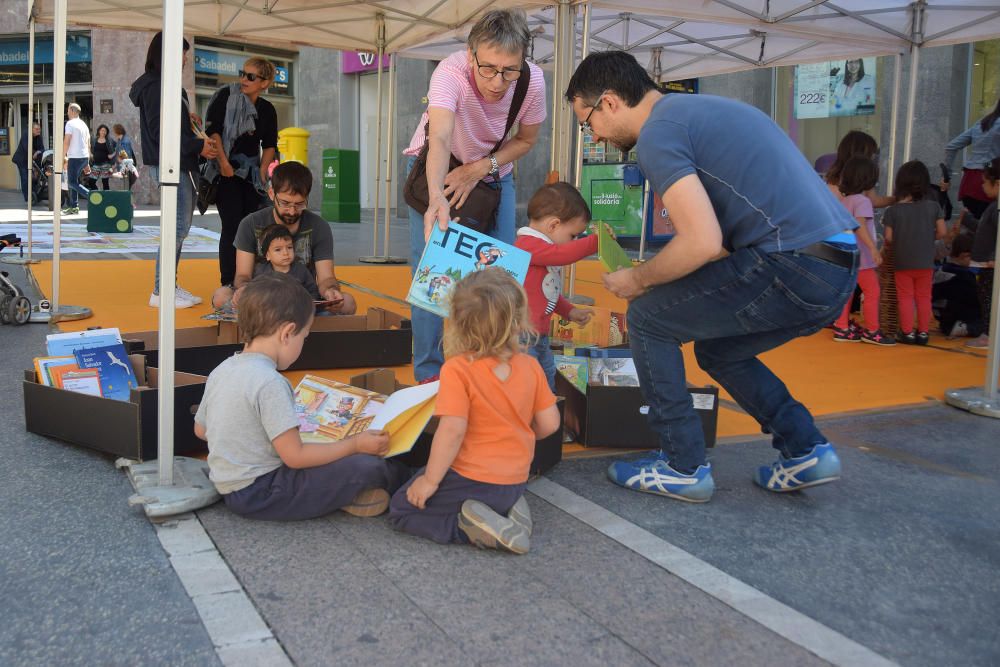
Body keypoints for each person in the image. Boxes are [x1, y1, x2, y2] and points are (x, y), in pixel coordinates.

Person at [566, 51, 859, 503]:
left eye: (587, 122)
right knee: (721, 351)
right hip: (836, 265)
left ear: (608, 102)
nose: (595, 136)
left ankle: (682, 464)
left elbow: (701, 242)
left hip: (790, 262)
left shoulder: (657, 135)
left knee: (647, 318)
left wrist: (639, 280)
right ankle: (805, 449)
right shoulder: (707, 112)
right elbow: (721, 247)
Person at [403, 8, 547, 383]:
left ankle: (491, 369)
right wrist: (438, 198)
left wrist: (483, 167)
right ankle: (430, 377)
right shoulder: (449, 73)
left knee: (501, 276)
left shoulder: (531, 82)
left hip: (494, 175)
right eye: (488, 68)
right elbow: (440, 138)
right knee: (433, 278)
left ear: (523, 61)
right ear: (471, 55)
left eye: (509, 70)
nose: (498, 82)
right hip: (441, 170)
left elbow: (527, 140)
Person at [194, 273, 409, 520]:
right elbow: (295, 457)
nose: (303, 344)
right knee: (368, 466)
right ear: (287, 333)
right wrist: (355, 444)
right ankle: (407, 487)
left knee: (333, 459)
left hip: (230, 486)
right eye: (304, 337)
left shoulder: (222, 369)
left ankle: (349, 497)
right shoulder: (270, 382)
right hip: (264, 491)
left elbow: (201, 430)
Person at [388, 268, 560, 553]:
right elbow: (550, 424)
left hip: (473, 479)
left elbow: (452, 430)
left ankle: (470, 530)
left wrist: (430, 481)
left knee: (402, 507)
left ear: (458, 324)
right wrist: (521, 434)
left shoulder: (458, 369)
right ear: (518, 320)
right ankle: (505, 510)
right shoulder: (531, 366)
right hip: (515, 481)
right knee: (422, 477)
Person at [130, 32, 218, 309]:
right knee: (176, 230)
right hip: (172, 167)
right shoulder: (157, 87)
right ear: (165, 53)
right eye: (181, 53)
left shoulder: (163, 86)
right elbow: (160, 133)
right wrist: (197, 145)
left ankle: (166, 286)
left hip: (175, 166)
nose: (184, 60)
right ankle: (162, 289)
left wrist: (187, 122)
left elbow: (165, 128)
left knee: (177, 230)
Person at [218, 161, 355, 315]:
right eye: (285, 203)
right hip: (262, 301)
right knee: (221, 296)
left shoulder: (319, 226)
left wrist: (331, 291)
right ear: (271, 194)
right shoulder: (250, 223)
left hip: (302, 301)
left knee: (347, 302)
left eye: (300, 204)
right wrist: (243, 289)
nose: (291, 211)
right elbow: (243, 275)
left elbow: (326, 278)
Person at [514, 182, 598, 390]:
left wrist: (569, 311)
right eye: (573, 236)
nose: (574, 242)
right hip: (521, 335)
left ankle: (545, 416)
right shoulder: (528, 245)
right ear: (553, 225)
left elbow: (549, 292)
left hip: (538, 335)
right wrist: (595, 243)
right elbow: (563, 255)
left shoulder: (541, 249)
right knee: (529, 382)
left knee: (546, 376)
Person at [204, 57, 278, 288]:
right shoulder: (226, 97)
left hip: (251, 175)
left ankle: (247, 277)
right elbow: (214, 132)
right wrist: (224, 163)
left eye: (251, 76)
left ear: (264, 83)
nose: (243, 79)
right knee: (232, 225)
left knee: (253, 226)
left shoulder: (267, 109)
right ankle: (228, 281)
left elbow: (269, 144)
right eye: (242, 73)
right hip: (225, 171)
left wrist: (264, 170)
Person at [883, 161, 947, 346]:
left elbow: (888, 238)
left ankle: (907, 332)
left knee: (905, 297)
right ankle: (924, 333)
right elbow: (942, 233)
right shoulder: (933, 207)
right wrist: (927, 236)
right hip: (926, 261)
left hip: (903, 261)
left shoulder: (893, 211)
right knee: (924, 297)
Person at [830, 156, 892, 345]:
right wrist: (873, 249)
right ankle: (872, 330)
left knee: (847, 292)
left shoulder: (845, 200)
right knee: (872, 291)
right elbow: (860, 225)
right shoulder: (863, 202)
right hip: (862, 258)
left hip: (845, 255)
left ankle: (841, 327)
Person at [213, 223, 321, 309]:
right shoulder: (261, 271)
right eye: (278, 250)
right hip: (266, 312)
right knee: (220, 295)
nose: (285, 253)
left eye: (289, 247)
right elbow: (253, 292)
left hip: (294, 311)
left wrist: (308, 302)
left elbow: (312, 291)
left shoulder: (300, 270)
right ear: (267, 255)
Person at [942, 99, 1000, 218]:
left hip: (968, 183)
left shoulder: (982, 123)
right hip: (990, 182)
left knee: (975, 227)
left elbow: (951, 147)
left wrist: (946, 177)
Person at [966, 160, 999, 349]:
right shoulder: (993, 207)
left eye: (985, 182)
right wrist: (967, 220)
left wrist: (995, 258)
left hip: (990, 263)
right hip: (986, 262)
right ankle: (989, 332)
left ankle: (989, 334)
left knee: (988, 299)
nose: (982, 186)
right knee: (985, 296)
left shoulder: (996, 208)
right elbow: (983, 229)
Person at [825, 130, 894, 209]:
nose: (872, 158)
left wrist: (897, 199)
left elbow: (874, 201)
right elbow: (873, 201)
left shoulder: (834, 179)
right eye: (870, 155)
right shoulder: (836, 183)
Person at [62, 103, 90, 215]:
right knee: (75, 181)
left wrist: (63, 156)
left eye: (68, 110)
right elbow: (88, 143)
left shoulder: (70, 124)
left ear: (72, 111)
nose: (67, 113)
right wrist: (87, 161)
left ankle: (91, 196)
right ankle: (74, 206)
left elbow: (67, 141)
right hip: (84, 157)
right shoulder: (84, 124)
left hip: (75, 157)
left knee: (72, 182)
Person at [11, 121, 44, 204]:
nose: (38, 131)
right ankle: (28, 198)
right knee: (25, 178)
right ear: (31, 129)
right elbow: (27, 148)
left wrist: (38, 152)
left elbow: (42, 148)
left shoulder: (38, 137)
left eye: (39, 129)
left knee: (34, 178)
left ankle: (34, 195)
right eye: (36, 129)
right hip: (22, 160)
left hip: (32, 160)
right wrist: (35, 153)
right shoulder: (26, 135)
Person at [111, 124, 137, 190]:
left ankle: (128, 200)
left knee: (127, 188)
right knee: (126, 187)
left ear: (117, 132)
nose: (114, 133)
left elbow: (126, 157)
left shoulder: (125, 141)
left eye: (114, 131)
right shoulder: (120, 140)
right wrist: (115, 165)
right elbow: (118, 153)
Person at [90, 124, 116, 190]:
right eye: (102, 130)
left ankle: (106, 199)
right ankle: (97, 196)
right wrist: (90, 153)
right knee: (91, 181)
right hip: (96, 164)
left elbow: (118, 147)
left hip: (106, 164)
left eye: (105, 131)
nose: (103, 132)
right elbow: (89, 147)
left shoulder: (109, 140)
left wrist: (112, 155)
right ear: (99, 131)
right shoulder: (94, 140)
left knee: (105, 183)